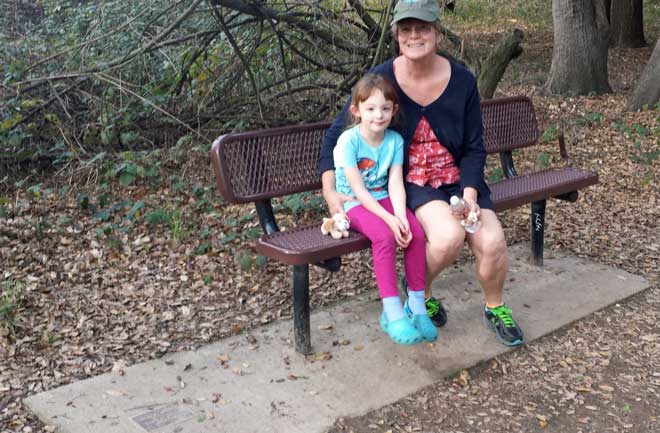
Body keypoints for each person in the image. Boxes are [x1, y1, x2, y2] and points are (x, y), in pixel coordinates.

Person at [320, 0, 524, 346]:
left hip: (460, 180)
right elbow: (335, 138)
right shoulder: (381, 81)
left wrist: (471, 194)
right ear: (397, 35)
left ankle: (494, 307)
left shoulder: (462, 81)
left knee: (492, 243)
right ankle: (420, 293)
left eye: (423, 28)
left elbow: (475, 147)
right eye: (406, 29)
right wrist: (330, 194)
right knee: (447, 238)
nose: (415, 35)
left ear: (437, 33)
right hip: (413, 182)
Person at [333, 73, 437, 345]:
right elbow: (358, 190)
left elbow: (394, 182)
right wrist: (390, 221)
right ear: (356, 111)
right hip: (355, 203)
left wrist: (401, 216)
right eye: (370, 109)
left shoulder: (394, 141)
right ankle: (392, 313)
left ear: (394, 110)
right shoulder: (349, 142)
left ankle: (416, 306)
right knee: (384, 235)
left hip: (383, 198)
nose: (378, 115)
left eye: (385, 109)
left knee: (414, 230)